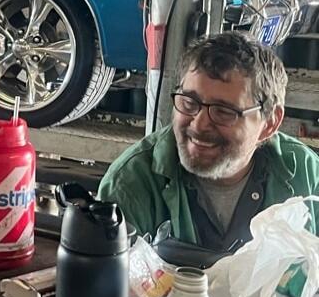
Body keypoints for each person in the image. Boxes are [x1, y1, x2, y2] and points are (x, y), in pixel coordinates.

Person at [99, 32, 319, 250]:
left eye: (223, 111)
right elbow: (106, 281)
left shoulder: (307, 175)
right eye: (189, 102)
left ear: (269, 123)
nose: (199, 124)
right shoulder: (131, 184)